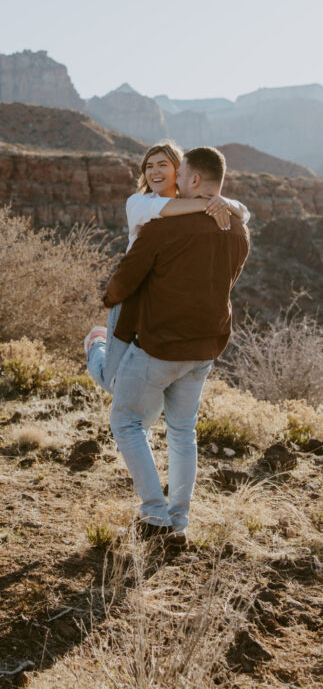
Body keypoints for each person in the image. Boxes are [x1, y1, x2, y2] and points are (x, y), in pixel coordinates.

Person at [102, 146, 250, 546]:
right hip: (206, 346)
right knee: (183, 432)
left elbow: (124, 280)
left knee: (127, 422)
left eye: (180, 175)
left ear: (196, 181)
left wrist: (108, 299)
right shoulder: (237, 227)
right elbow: (228, 278)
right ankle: (178, 525)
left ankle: (154, 516)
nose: (175, 182)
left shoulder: (160, 226)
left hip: (160, 345)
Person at [85, 141, 249, 392]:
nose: (154, 172)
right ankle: (96, 344)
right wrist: (214, 203)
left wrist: (224, 203)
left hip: (160, 308)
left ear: (180, 171)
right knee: (112, 380)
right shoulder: (139, 203)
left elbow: (245, 213)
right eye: (149, 166)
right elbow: (163, 209)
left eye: (163, 165)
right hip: (130, 301)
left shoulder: (193, 203)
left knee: (140, 384)